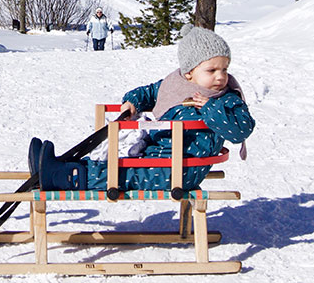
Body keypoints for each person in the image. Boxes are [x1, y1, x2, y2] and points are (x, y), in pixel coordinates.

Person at [28, 24, 254, 191]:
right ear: (189, 73)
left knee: (120, 174)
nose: (221, 77)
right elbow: (151, 92)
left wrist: (210, 108)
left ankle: (62, 176)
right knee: (113, 163)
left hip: (179, 170)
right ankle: (55, 166)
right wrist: (133, 101)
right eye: (212, 70)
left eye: (224, 69)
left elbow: (241, 130)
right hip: (157, 157)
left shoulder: (226, 99)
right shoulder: (177, 85)